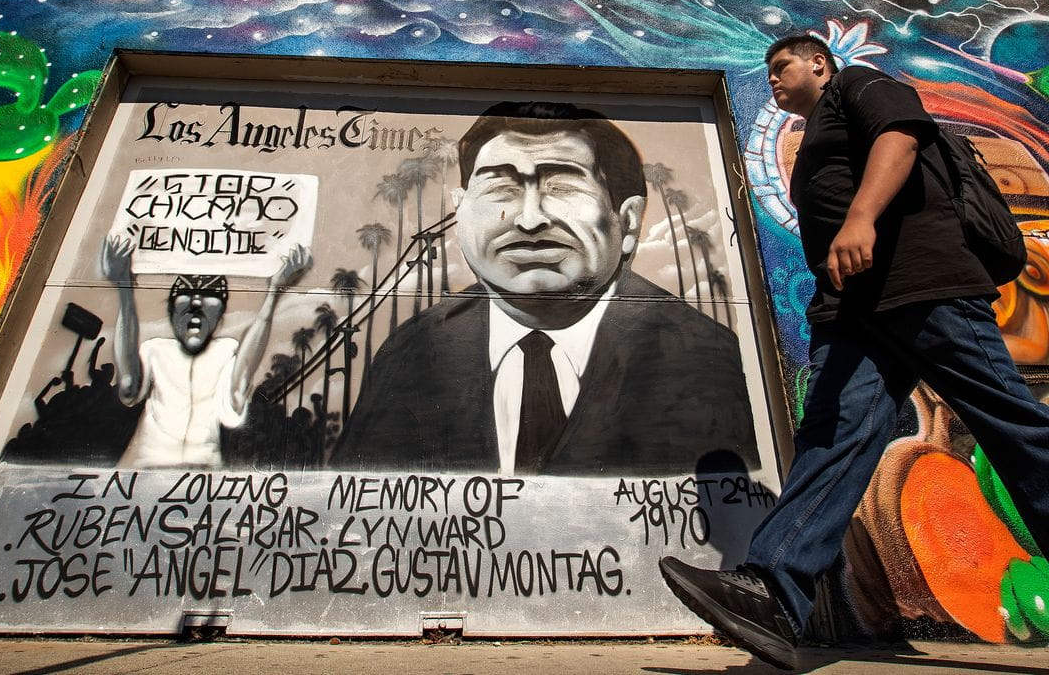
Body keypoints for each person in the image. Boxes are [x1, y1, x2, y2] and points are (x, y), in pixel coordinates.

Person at [659, 35, 1049, 670]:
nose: (775, 80)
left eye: (781, 66)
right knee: (834, 439)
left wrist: (861, 217)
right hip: (854, 314)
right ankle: (775, 595)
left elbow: (900, 136)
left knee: (1014, 427)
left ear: (819, 62)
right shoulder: (817, 131)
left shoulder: (861, 86)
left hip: (925, 288)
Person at [331, 101, 758, 475]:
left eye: (561, 186)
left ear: (627, 221)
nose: (530, 219)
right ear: (460, 214)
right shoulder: (410, 353)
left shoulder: (705, 359)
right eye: (500, 186)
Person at [102, 238, 311, 468]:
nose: (196, 302)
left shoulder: (225, 352)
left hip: (202, 478)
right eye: (186, 292)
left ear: (219, 316)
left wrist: (275, 290)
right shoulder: (155, 350)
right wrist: (123, 285)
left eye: (210, 293)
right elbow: (129, 386)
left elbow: (238, 384)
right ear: (172, 312)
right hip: (148, 470)